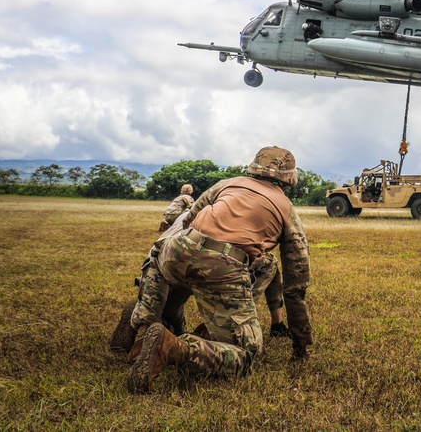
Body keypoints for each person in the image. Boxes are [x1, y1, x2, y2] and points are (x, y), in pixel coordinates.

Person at [126, 146, 312, 394]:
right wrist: (302, 344)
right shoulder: (286, 209)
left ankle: (142, 329)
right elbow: (296, 285)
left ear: (254, 168)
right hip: (222, 267)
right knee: (247, 354)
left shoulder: (226, 184)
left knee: (161, 262)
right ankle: (173, 347)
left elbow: (188, 219)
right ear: (288, 180)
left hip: (175, 252)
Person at [109, 211, 290, 356]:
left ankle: (142, 328)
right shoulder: (236, 218)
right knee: (269, 263)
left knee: (170, 321)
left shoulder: (194, 210)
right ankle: (209, 331)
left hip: (162, 264)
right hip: (209, 267)